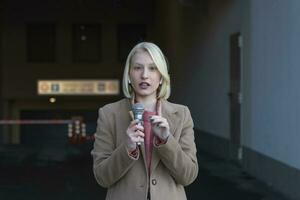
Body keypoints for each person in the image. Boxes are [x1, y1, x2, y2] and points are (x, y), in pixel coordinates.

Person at [91, 42, 198, 200]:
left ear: (161, 77)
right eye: (137, 68)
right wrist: (127, 148)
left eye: (153, 68)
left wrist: (166, 141)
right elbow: (102, 177)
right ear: (128, 75)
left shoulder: (181, 114)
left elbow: (188, 176)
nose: (144, 75)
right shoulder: (109, 114)